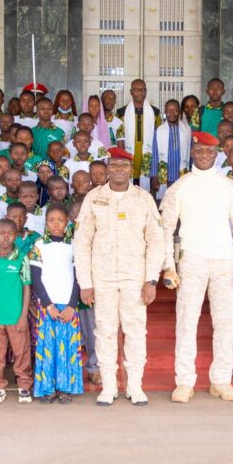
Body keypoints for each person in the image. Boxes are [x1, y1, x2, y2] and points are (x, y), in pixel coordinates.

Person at [160, 131, 233, 403]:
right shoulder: (180, 186)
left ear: (217, 154)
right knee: (186, 322)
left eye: (209, 152)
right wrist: (169, 266)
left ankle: (221, 380)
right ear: (192, 153)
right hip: (191, 259)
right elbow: (166, 229)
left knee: (225, 323)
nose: (204, 156)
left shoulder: (229, 187)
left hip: (225, 260)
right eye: (199, 151)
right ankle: (185, 382)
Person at [74, 146, 163, 406]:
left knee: (136, 331)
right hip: (102, 277)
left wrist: (151, 280)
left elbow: (155, 241)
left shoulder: (143, 199)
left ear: (131, 169)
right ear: (107, 169)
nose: (118, 170)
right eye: (113, 165)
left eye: (124, 166)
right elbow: (82, 242)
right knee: (105, 331)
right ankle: (109, 386)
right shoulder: (94, 197)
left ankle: (135, 385)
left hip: (135, 277)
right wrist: (85, 283)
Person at [29, 204, 82, 404]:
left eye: (60, 220)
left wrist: (72, 305)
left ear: (67, 222)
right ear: (46, 222)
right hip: (47, 306)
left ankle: (65, 388)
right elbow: (36, 278)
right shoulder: (39, 246)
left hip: (68, 305)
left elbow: (79, 277)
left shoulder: (74, 245)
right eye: (51, 220)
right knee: (47, 347)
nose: (56, 224)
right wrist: (48, 304)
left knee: (67, 348)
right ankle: (47, 388)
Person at [0, 219, 33, 404]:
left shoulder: (21, 258)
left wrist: (23, 316)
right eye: (1, 233)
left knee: (21, 352)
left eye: (10, 234)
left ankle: (24, 386)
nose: (6, 237)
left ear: (16, 236)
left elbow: (27, 287)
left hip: (15, 316)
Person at [116, 79, 161, 190]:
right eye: (137, 90)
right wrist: (122, 158)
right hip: (129, 155)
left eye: (143, 89)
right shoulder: (121, 112)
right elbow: (119, 137)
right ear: (131, 92)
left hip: (147, 156)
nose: (140, 92)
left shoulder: (155, 112)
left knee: (147, 188)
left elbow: (158, 137)